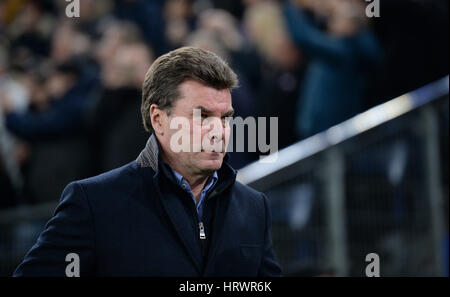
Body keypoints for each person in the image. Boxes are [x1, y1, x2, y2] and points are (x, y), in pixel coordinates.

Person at [13, 47, 282, 277]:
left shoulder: (254, 207)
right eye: (203, 116)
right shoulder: (94, 202)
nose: (219, 131)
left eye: (226, 118)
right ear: (158, 120)